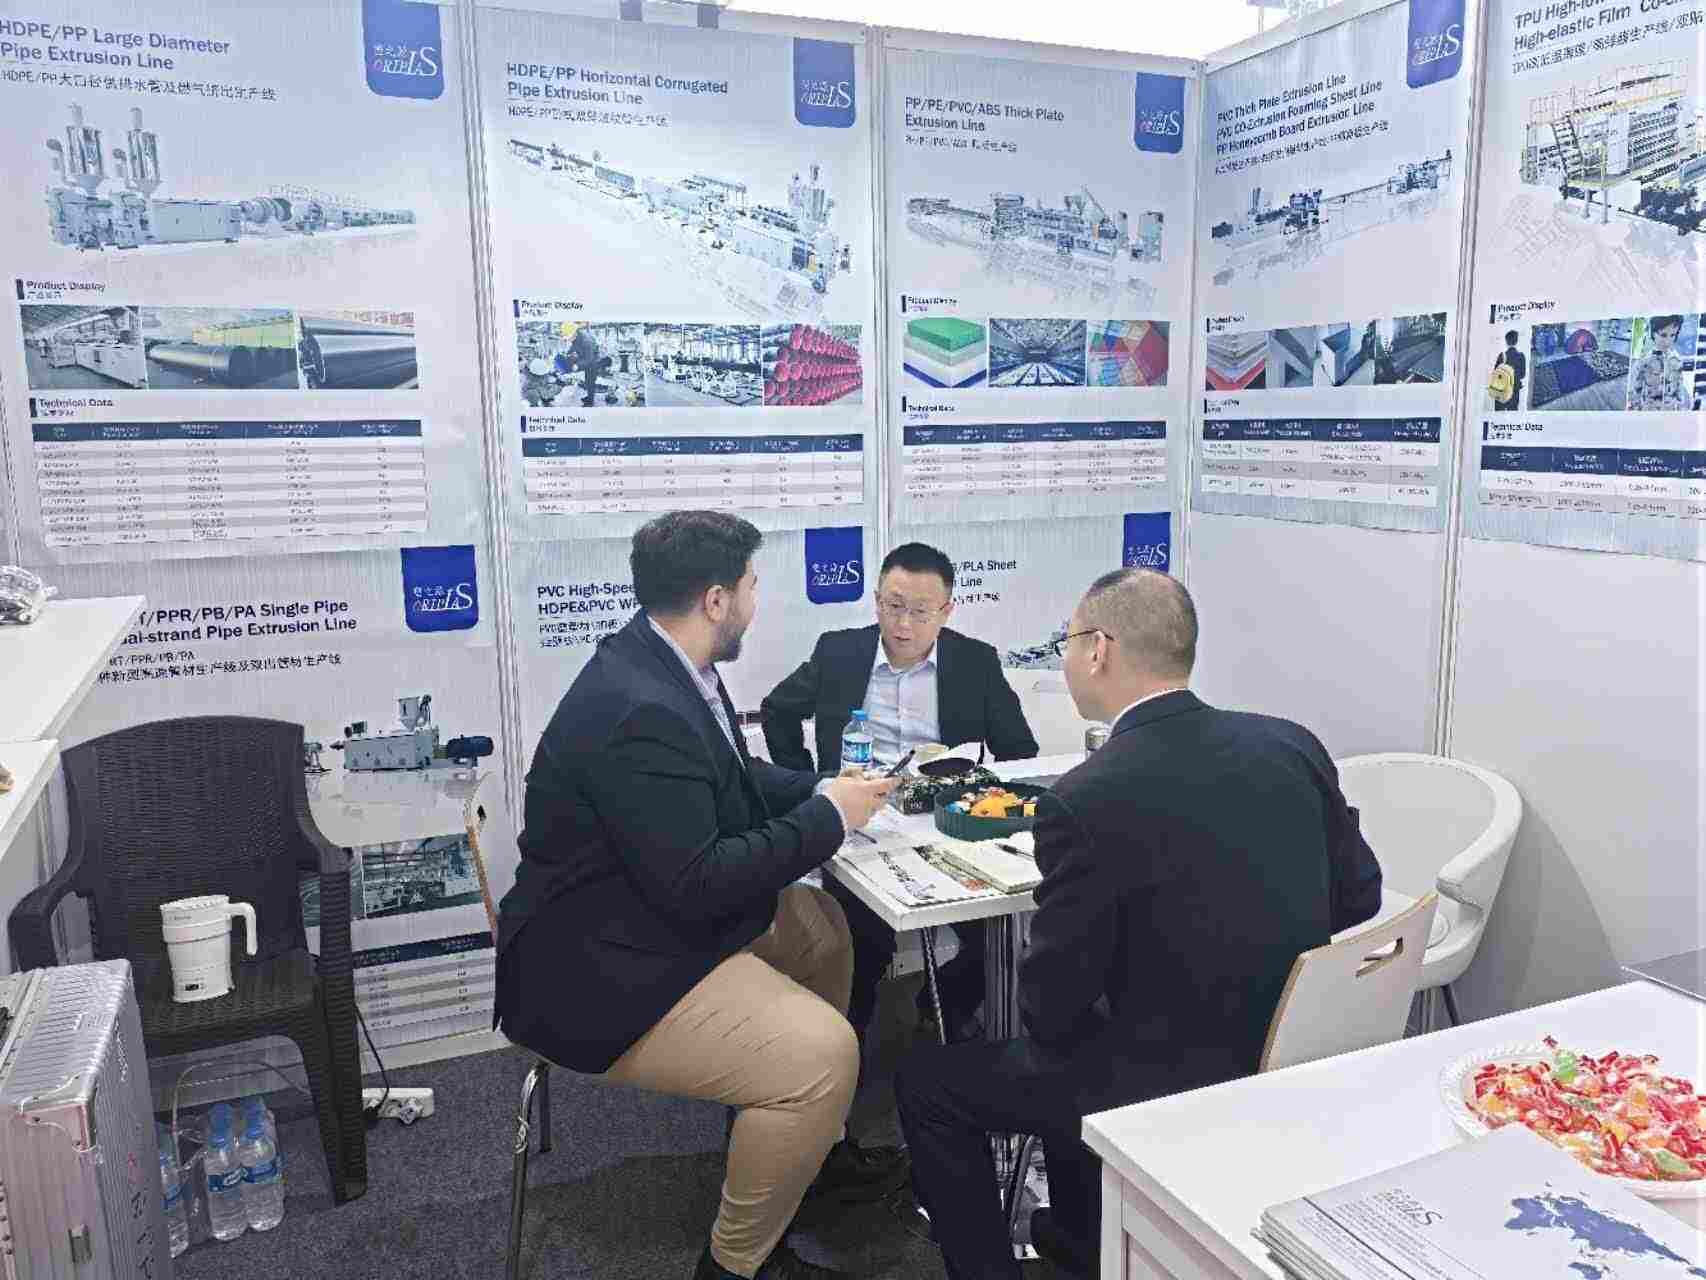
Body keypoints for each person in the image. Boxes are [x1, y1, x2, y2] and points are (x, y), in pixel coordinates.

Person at [893, 568, 1383, 1280]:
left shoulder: (1084, 798)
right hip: (1290, 1045)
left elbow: (1050, 1011)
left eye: (1066, 642)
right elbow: (1360, 897)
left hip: (1154, 1079)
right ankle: (1080, 1237)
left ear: (1098, 649)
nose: (1065, 658)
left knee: (929, 1082)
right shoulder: (1291, 744)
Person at [495, 511, 909, 1280]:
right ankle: (733, 1265)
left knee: (819, 925)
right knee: (823, 1056)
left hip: (637, 917)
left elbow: (732, 780)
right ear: (716, 600)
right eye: (751, 586)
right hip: (590, 969)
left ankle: (806, 1152)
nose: (756, 600)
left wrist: (825, 788)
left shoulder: (666, 663)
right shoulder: (641, 707)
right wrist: (829, 818)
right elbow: (699, 883)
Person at [761, 542, 1038, 1042]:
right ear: (876, 601)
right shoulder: (839, 652)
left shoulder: (975, 661)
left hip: (950, 823)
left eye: (920, 611)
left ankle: (943, 1008)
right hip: (858, 826)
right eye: (893, 606)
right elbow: (777, 710)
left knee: (996, 932)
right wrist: (811, 785)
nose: (903, 625)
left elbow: (1020, 752)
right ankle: (850, 1054)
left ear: (947, 611)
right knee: (860, 946)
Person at [1629, 314, 1687, 411]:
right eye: (1663, 335)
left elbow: (1679, 389)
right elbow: (1635, 391)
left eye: (1673, 335)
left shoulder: (1677, 360)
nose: (1668, 341)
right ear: (1653, 334)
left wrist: (1680, 410)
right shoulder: (1643, 361)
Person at [1491, 329, 1526, 411]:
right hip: (1514, 390)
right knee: (1513, 412)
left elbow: (1495, 373)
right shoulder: (1521, 356)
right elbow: (1522, 375)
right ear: (1516, 341)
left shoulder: (1502, 355)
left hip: (1502, 390)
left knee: (1499, 413)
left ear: (1506, 342)